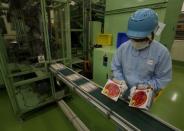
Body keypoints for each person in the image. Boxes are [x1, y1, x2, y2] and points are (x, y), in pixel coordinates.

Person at [112, 8, 172, 100]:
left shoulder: (162, 53)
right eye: (133, 38)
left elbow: (162, 79)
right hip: (122, 93)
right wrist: (120, 81)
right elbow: (116, 67)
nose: (136, 42)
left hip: (144, 96)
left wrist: (145, 87)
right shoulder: (123, 48)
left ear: (153, 33)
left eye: (141, 39)